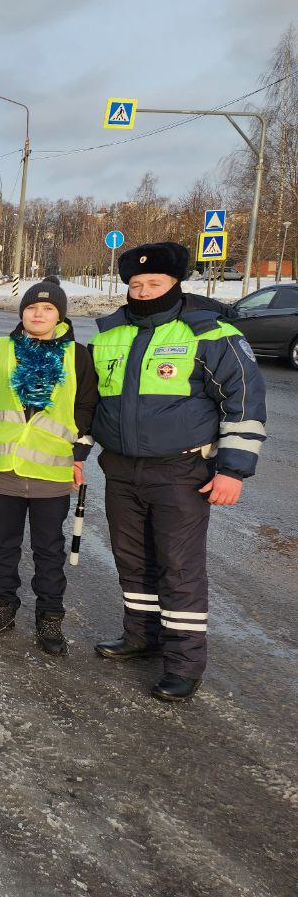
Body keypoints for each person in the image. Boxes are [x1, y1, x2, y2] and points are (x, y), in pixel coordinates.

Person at [89, 242, 266, 702]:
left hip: (182, 470)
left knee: (179, 567)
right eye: (136, 284)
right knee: (132, 559)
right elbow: (89, 403)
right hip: (122, 470)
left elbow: (243, 402)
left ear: (175, 284)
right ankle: (140, 636)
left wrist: (233, 470)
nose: (144, 291)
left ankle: (184, 662)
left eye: (155, 283)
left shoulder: (210, 333)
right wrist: (74, 452)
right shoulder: (109, 335)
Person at [0, 276, 98, 655]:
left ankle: (49, 618)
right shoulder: (1, 349)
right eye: (31, 307)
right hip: (3, 468)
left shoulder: (77, 355)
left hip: (51, 472)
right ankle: (3, 607)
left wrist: (78, 456)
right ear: (22, 312)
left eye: (47, 308)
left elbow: (87, 409)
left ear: (60, 315)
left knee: (49, 549)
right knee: (4, 545)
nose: (38, 314)